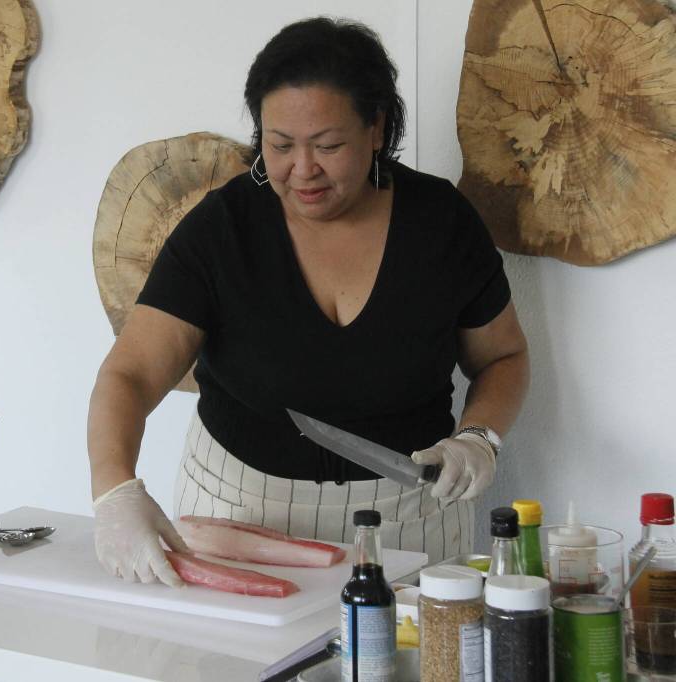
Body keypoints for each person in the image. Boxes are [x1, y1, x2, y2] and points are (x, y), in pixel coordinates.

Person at [86, 17, 529, 587]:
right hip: (237, 516)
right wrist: (115, 491)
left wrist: (480, 437)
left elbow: (504, 358)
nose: (302, 170)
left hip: (408, 519)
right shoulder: (223, 229)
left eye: (328, 145)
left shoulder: (440, 223)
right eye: (280, 145)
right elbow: (130, 373)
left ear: (376, 127)